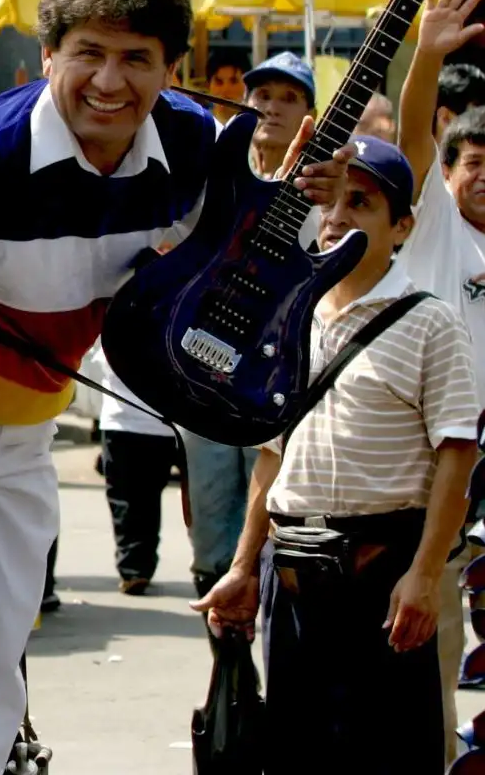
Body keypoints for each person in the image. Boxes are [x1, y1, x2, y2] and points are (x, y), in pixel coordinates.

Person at [0, 0, 350, 775]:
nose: (110, 82)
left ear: (173, 69)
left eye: (137, 59)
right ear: (47, 57)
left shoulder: (190, 143)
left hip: (25, 437)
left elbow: (239, 250)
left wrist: (302, 195)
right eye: (88, 54)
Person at [194, 136, 478, 773]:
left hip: (383, 576)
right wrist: (243, 567)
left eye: (362, 202)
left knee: (387, 755)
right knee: (296, 753)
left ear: (401, 224)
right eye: (331, 202)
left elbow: (457, 455)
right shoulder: (290, 313)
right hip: (291, 573)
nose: (339, 216)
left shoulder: (431, 322)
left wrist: (425, 575)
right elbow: (272, 458)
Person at [174, 50, 319, 602]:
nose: (273, 108)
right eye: (262, 96)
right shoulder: (218, 173)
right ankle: (227, 662)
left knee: (269, 521)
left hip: (273, 379)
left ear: (311, 113)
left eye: (290, 99)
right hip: (200, 366)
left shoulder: (325, 195)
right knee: (210, 523)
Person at [387, 0, 485, 754]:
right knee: (433, 647)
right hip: (433, 468)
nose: (483, 174)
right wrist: (425, 57)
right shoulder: (435, 229)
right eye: (472, 160)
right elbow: (414, 132)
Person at [83, 340, 176, 596]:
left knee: (124, 499)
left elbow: (99, 364)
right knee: (148, 497)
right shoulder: (168, 328)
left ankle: (134, 569)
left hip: (121, 425)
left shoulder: (117, 326)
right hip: (159, 428)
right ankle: (140, 566)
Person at [205, 54, 247, 124]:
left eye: (234, 81)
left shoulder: (259, 128)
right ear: (208, 85)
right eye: (219, 82)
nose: (225, 89)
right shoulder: (198, 126)